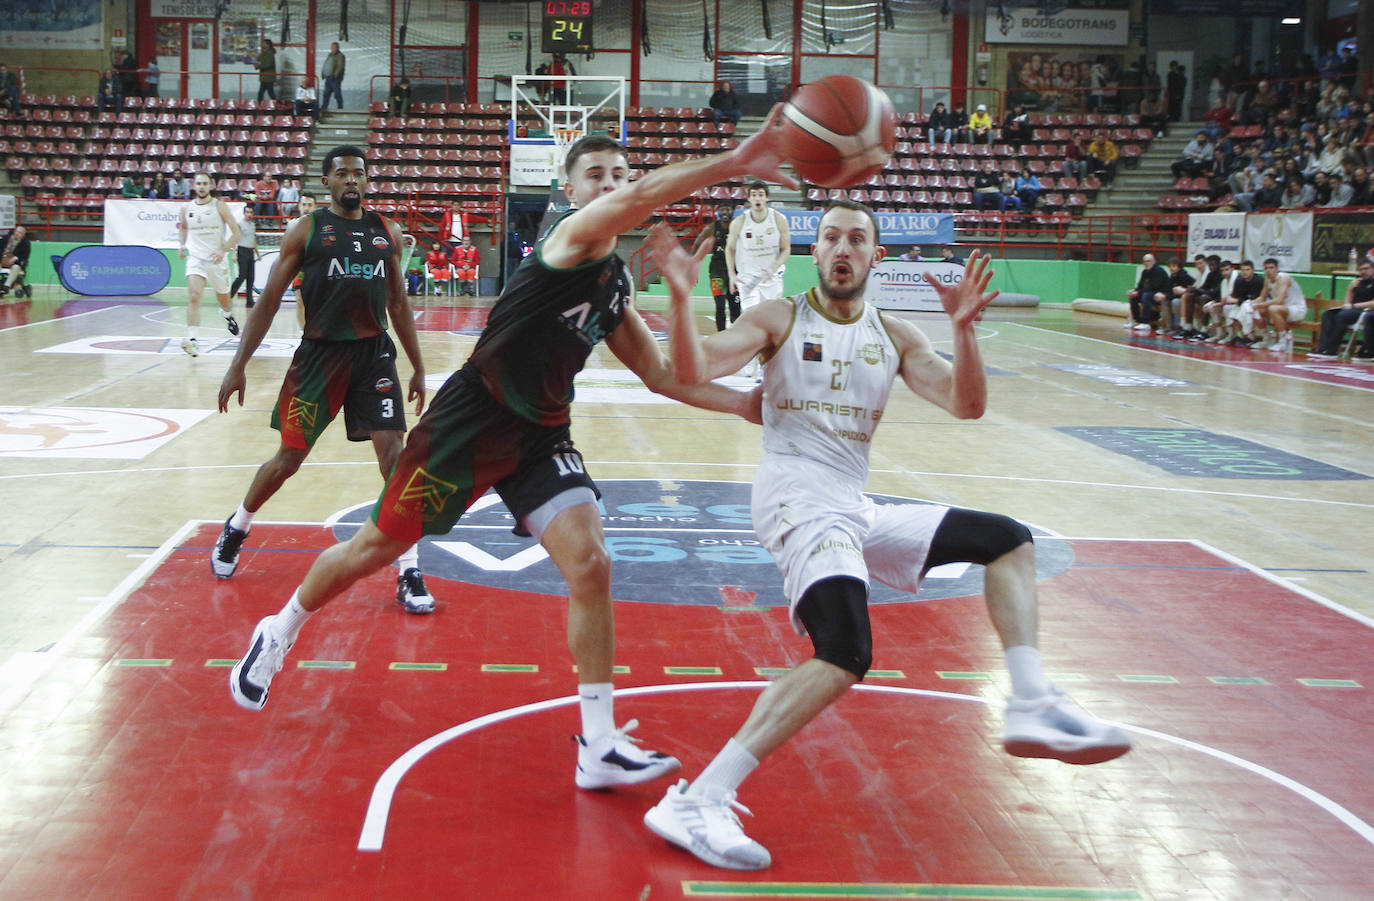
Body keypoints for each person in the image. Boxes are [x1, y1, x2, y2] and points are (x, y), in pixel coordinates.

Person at [222, 122, 798, 811]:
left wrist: (741, 405)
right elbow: (644, 197)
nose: (611, 185)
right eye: (597, 175)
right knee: (376, 546)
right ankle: (280, 627)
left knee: (592, 561)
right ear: (568, 190)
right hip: (469, 422)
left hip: (539, 434)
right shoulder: (571, 240)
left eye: (620, 174)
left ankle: (598, 741)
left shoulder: (612, 280)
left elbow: (663, 372)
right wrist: (736, 160)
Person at [640, 203, 1131, 871]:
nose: (844, 247)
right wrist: (678, 296)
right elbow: (693, 369)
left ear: (876, 257)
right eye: (833, 237)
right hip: (795, 499)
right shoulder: (778, 319)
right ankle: (698, 799)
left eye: (858, 238)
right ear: (818, 254)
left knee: (1009, 540)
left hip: (852, 506)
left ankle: (1032, 699)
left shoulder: (895, 334)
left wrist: (964, 333)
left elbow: (967, 403)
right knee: (844, 649)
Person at [215, 144, 434, 620]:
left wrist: (417, 366)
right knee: (289, 459)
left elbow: (397, 304)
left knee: (395, 455)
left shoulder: (386, 233)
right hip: (318, 359)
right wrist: (238, 365)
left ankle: (410, 569)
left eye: (359, 173)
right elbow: (269, 300)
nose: (352, 180)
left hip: (374, 357)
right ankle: (238, 525)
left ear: (368, 181)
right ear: (327, 182)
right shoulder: (307, 230)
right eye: (342, 174)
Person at [726, 180, 790, 377]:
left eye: (761, 195)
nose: (758, 198)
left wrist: (774, 267)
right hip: (748, 279)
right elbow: (729, 249)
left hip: (771, 278)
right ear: (749, 198)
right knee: (752, 321)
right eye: (754, 195)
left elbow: (786, 249)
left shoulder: (778, 219)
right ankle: (750, 362)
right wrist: (731, 275)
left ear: (767, 197)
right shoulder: (740, 222)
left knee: (770, 324)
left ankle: (766, 365)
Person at [178, 173, 242, 355]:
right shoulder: (186, 208)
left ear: (210, 186)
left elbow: (236, 233)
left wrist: (223, 250)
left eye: (205, 183)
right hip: (196, 259)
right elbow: (183, 227)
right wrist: (182, 245)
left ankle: (228, 315)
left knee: (224, 299)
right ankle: (193, 340)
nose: (201, 187)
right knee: (194, 295)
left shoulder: (219, 206)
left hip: (216, 260)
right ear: (194, 186)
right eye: (198, 183)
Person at [1308, 258, 1374, 360]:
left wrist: (1353, 306)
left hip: (1365, 310)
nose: (1363, 272)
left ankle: (1332, 350)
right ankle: (1323, 348)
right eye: (1361, 269)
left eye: (1366, 269)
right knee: (1327, 314)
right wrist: (1350, 290)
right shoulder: (1357, 283)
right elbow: (1347, 300)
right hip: (1352, 309)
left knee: (1342, 316)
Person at [691, 201, 741, 332]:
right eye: (722, 210)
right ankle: (721, 335)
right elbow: (696, 245)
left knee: (735, 307)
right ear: (718, 212)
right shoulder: (712, 228)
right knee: (719, 305)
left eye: (728, 210)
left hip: (736, 274)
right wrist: (693, 267)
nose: (725, 213)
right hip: (716, 273)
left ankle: (736, 337)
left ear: (733, 211)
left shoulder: (740, 226)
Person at [1250, 258, 1307, 353]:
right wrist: (1251, 303)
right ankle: (1267, 339)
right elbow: (1261, 298)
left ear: (1277, 269)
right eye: (1266, 268)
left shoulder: (1284, 278)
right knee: (1255, 310)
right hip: (1282, 309)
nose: (1269, 270)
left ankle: (1282, 341)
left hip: (1297, 309)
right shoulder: (1267, 280)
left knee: (1273, 309)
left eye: (1271, 267)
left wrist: (1260, 305)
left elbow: (1280, 300)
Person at [1125, 252, 1170, 332]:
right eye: (1145, 261)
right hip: (1148, 293)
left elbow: (1154, 288)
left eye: (1148, 261)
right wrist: (1134, 291)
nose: (1146, 263)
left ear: (1154, 262)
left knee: (1146, 296)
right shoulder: (1145, 272)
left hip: (1159, 295)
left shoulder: (1159, 271)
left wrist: (1138, 292)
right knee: (1134, 297)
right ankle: (1137, 321)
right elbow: (1140, 286)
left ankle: (1146, 323)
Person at [228, 205, 261, 308]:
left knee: (251, 277)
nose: (249, 214)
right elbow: (235, 238)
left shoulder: (252, 225)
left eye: (251, 212)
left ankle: (249, 301)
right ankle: (229, 296)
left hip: (250, 251)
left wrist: (257, 253)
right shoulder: (240, 224)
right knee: (242, 276)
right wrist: (234, 253)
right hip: (242, 251)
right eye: (247, 212)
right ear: (244, 213)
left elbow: (253, 239)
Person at [0, 224, 32, 298]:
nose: (17, 233)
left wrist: (15, 258)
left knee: (16, 267)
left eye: (19, 232)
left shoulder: (26, 243)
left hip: (15, 263)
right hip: (2, 260)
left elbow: (24, 257)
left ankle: (6, 287)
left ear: (23, 235)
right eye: (16, 231)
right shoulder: (5, 239)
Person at [321, 42, 345, 110]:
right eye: (332, 47)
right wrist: (323, 73)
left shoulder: (340, 56)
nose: (332, 49)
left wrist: (335, 75)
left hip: (335, 79)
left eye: (334, 47)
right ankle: (324, 108)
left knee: (337, 94)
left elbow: (340, 66)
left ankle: (340, 108)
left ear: (338, 48)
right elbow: (326, 64)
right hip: (328, 78)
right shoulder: (330, 55)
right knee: (326, 94)